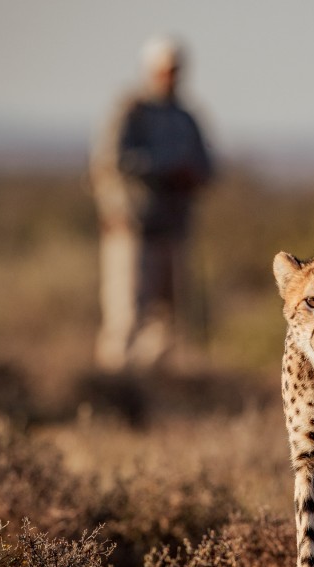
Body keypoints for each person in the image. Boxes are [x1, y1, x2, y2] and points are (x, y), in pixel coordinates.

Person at [90, 35, 214, 373]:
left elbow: (207, 166)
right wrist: (164, 168)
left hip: (174, 230)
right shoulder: (132, 111)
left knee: (168, 321)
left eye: (176, 70)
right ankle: (114, 389)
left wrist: (191, 176)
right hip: (131, 228)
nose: (172, 77)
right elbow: (112, 159)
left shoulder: (187, 117)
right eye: (165, 70)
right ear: (151, 70)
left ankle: (153, 392)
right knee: (127, 315)